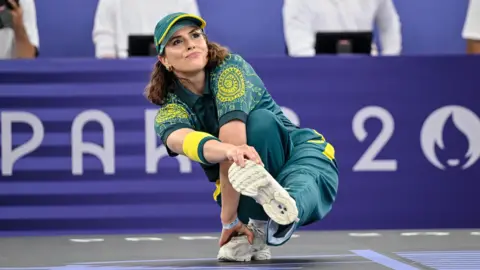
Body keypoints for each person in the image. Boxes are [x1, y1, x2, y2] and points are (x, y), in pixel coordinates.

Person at [145, 12, 339, 261]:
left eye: (195, 35)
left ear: (205, 42)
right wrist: (230, 216)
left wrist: (228, 220)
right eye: (177, 41)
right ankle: (259, 224)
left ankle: (276, 214)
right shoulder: (169, 111)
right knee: (239, 170)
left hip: (301, 155)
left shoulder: (229, 70)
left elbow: (235, 142)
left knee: (261, 125)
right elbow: (182, 140)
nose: (190, 43)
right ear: (164, 60)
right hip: (238, 182)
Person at [283, 0, 402, 56]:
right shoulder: (297, 2)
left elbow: (389, 24)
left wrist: (390, 60)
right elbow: (299, 47)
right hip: (316, 76)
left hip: (367, 70)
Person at [92, 0, 200, 59]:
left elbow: (194, 36)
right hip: (125, 67)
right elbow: (104, 36)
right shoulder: (110, 2)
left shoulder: (184, 2)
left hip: (174, 72)